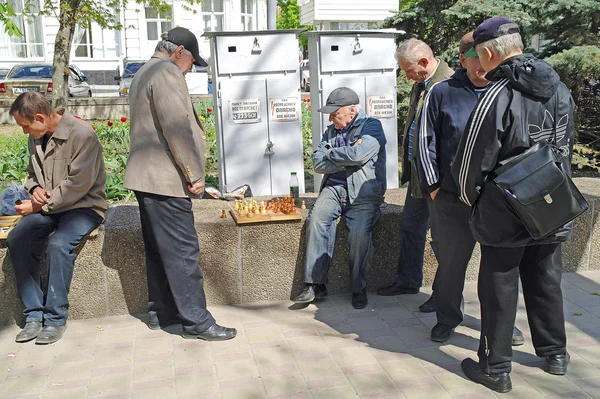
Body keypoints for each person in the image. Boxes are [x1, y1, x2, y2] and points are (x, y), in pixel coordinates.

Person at [452, 18, 574, 393]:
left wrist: (470, 200)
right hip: (553, 203)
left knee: (499, 288)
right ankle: (555, 354)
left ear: (488, 53)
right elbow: (565, 144)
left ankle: (496, 367)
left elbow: (471, 161)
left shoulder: (497, 94)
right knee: (546, 279)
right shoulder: (559, 87)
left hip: (506, 211)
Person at [125, 27, 235, 341]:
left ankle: (163, 313)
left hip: (147, 178)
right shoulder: (166, 73)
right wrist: (194, 175)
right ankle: (197, 322)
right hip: (166, 179)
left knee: (160, 251)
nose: (190, 68)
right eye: (191, 62)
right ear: (179, 52)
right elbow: (177, 128)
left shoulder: (144, 72)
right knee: (183, 252)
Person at [415, 32, 524, 344]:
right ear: (463, 59)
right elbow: (424, 143)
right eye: (476, 57)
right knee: (451, 265)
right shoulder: (441, 92)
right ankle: (447, 318)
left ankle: (500, 324)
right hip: (451, 199)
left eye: (487, 56)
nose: (483, 64)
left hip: (497, 201)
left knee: (500, 270)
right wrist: (435, 188)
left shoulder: (506, 89)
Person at [7, 92, 107, 344]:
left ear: (39, 117)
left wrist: (38, 206)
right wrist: (34, 190)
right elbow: (32, 174)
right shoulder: (37, 137)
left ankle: (54, 319)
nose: (24, 132)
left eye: (25, 126)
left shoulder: (82, 134)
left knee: (59, 245)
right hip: (49, 208)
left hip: (83, 208)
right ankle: (33, 314)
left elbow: (78, 185)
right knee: (18, 238)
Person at [292, 87, 386, 309]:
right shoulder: (330, 132)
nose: (331, 118)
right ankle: (315, 285)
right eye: (330, 114)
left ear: (352, 110)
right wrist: (346, 157)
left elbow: (360, 154)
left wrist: (332, 154)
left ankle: (358, 287)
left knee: (360, 235)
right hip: (334, 188)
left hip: (363, 192)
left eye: (336, 113)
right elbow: (317, 163)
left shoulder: (372, 126)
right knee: (316, 220)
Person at [377, 39, 453, 313]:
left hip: (437, 178)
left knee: (442, 239)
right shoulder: (421, 85)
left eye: (408, 70)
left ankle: (444, 294)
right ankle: (408, 280)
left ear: (424, 62)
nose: (406, 76)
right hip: (419, 175)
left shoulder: (448, 85)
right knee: (410, 227)